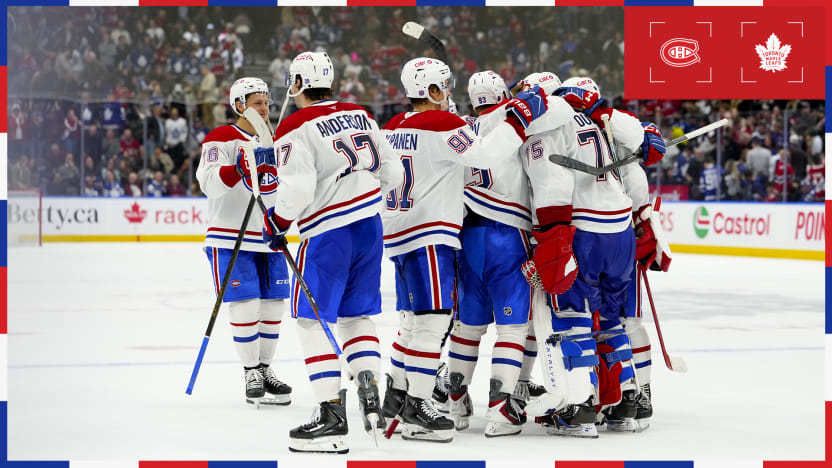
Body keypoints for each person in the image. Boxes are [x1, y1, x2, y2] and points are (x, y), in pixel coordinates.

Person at [380, 57, 549, 443]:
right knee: (471, 324)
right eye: (444, 86)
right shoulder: (452, 124)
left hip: (415, 236)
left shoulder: (393, 126)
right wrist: (519, 119)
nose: (449, 93)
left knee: (434, 324)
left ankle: (426, 400)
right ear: (432, 91)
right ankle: (493, 407)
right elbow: (487, 156)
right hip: (463, 234)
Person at [260, 51, 403, 454]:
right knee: (356, 316)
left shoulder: (295, 125)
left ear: (297, 84)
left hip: (328, 233)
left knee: (312, 321)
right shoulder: (361, 114)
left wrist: (277, 221)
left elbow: (299, 189)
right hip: (369, 226)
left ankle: (331, 417)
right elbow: (393, 173)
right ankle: (369, 388)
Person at [516, 75, 658, 438]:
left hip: (584, 232)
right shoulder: (599, 123)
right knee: (611, 318)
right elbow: (634, 175)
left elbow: (552, 184)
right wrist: (643, 217)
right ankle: (624, 400)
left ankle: (578, 407)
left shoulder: (546, 125)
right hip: (620, 231)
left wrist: (552, 238)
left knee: (572, 316)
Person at [445, 70, 548, 437]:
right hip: (507, 234)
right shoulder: (514, 121)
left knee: (468, 326)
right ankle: (501, 407)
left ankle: (455, 402)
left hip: (466, 237)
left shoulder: (461, 129)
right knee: (513, 327)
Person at [195, 77, 293, 408]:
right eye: (257, 103)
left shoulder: (278, 141)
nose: (264, 109)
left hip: (269, 234)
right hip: (230, 235)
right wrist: (239, 167)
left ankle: (265, 368)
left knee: (273, 306)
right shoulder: (221, 137)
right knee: (246, 304)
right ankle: (251, 370)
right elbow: (208, 184)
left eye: (266, 103)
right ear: (239, 105)